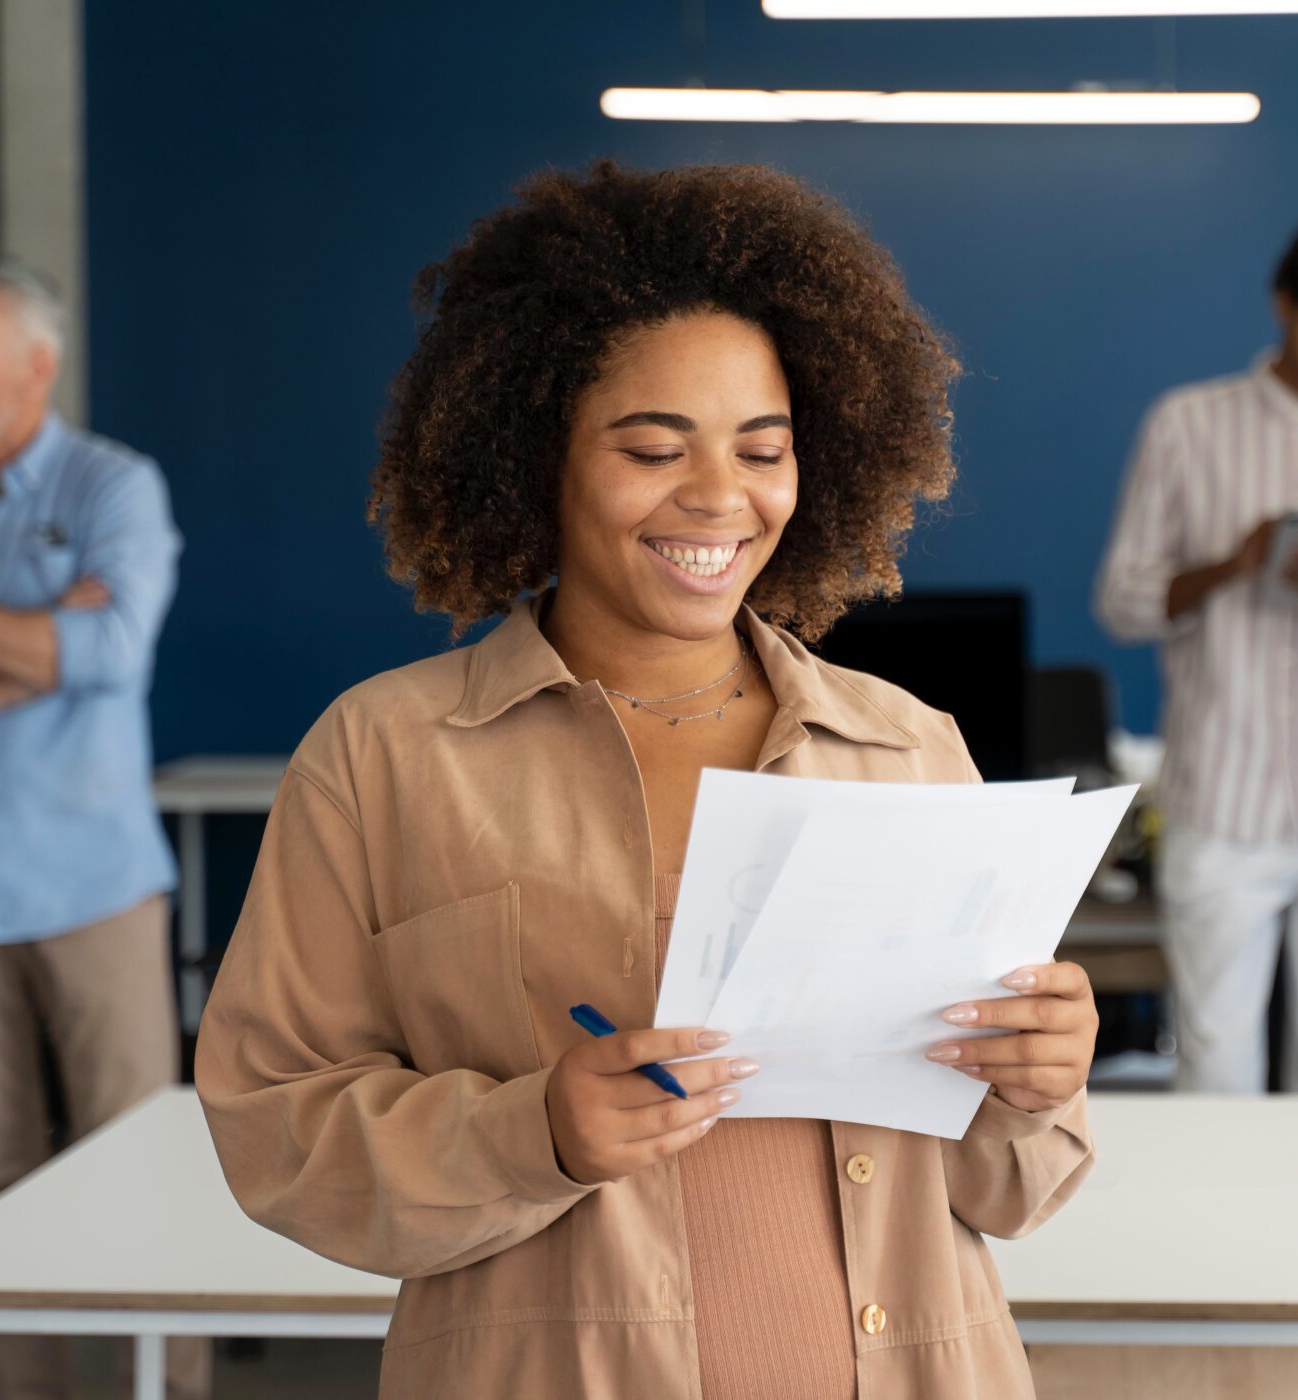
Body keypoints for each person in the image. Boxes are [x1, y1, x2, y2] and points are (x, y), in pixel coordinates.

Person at [195, 160, 1097, 1400]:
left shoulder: (906, 747)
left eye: (761, 448)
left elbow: (1010, 1184)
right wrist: (538, 1133)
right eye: (650, 446)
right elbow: (274, 1129)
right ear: (533, 457)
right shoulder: (385, 757)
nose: (718, 497)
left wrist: (1038, 1079)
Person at [0, 256, 210, 1400]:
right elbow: (73, 656)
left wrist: (55, 646)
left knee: (137, 1163)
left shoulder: (114, 485)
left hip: (91, 886)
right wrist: (38, 643)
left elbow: (112, 655)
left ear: (37, 366)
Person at [1096, 213, 1298, 1095]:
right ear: (1285, 304)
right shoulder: (1187, 425)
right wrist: (1231, 565)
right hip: (1221, 799)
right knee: (1214, 1067)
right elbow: (1121, 603)